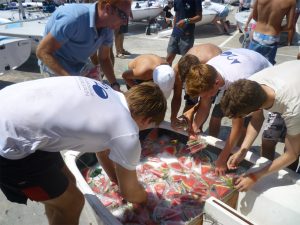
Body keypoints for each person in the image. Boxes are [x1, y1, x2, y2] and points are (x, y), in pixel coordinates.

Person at [0, 76, 167, 224]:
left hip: (11, 109)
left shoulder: (103, 89)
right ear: (146, 120)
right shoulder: (127, 131)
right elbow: (131, 194)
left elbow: (102, 150)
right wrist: (151, 200)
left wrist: (116, 180)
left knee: (68, 185)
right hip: (10, 142)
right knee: (72, 203)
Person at [183, 48, 272, 176]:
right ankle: (228, 152)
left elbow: (237, 125)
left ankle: (236, 153)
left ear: (217, 83)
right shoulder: (205, 72)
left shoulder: (237, 82)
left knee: (246, 119)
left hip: (260, 70)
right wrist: (194, 128)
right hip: (243, 57)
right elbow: (204, 105)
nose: (207, 97)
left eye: (208, 94)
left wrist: (223, 158)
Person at [221, 60, 300, 191]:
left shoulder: (293, 108)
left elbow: (292, 154)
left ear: (255, 107)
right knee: (268, 139)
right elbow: (257, 120)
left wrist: (255, 176)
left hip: (295, 98)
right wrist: (243, 150)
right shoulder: (251, 85)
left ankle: (291, 180)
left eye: (242, 116)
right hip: (291, 80)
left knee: (292, 149)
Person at [36, 0, 132, 91]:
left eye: (128, 17)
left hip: (79, 64)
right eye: (123, 16)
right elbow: (42, 52)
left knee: (99, 96)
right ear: (108, 9)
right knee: (72, 101)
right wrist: (72, 81)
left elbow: (104, 58)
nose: (125, 22)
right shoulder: (73, 19)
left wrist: (114, 84)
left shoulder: (108, 27)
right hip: (55, 65)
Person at [170, 43, 222, 129]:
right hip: (199, 56)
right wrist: (173, 117)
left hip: (212, 55)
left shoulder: (210, 66)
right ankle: (186, 125)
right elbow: (176, 96)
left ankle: (198, 128)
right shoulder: (178, 70)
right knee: (190, 101)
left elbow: (205, 105)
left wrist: (196, 126)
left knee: (205, 98)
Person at [247, 0, 296, 65]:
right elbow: (290, 26)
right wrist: (277, 29)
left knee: (251, 63)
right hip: (272, 36)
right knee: (267, 67)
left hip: (257, 34)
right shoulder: (291, 1)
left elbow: (255, 17)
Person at [165, 0, 203, 65]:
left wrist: (186, 20)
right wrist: (174, 28)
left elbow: (199, 17)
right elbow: (176, 14)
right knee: (169, 58)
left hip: (187, 34)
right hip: (175, 33)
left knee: (185, 61)